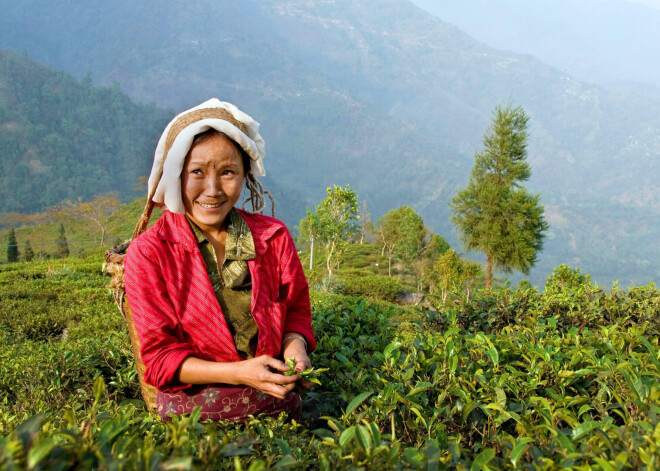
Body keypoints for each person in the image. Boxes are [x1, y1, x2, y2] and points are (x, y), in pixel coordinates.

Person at [124, 98, 315, 422]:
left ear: (245, 175)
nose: (212, 190)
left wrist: (295, 347)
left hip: (279, 416)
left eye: (228, 172)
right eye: (196, 172)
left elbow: (295, 311)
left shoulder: (273, 238)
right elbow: (159, 360)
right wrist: (240, 373)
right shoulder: (150, 253)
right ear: (176, 175)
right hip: (195, 426)